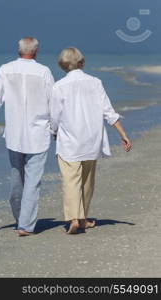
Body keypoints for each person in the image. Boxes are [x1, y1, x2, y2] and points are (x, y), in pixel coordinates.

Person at [50, 47, 132, 234]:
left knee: (71, 181)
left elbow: (54, 117)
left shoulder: (59, 86)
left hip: (69, 141)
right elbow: (108, 112)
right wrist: (123, 134)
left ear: (63, 65)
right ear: (82, 62)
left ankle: (73, 219)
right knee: (87, 181)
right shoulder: (95, 82)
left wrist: (53, 133)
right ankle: (83, 218)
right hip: (91, 140)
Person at [0, 37, 54, 236]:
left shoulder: (5, 69)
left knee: (17, 180)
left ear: (18, 50)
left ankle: (21, 219)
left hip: (14, 134)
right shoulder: (43, 71)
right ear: (36, 52)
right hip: (38, 134)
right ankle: (25, 224)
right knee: (32, 182)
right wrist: (55, 129)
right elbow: (52, 103)